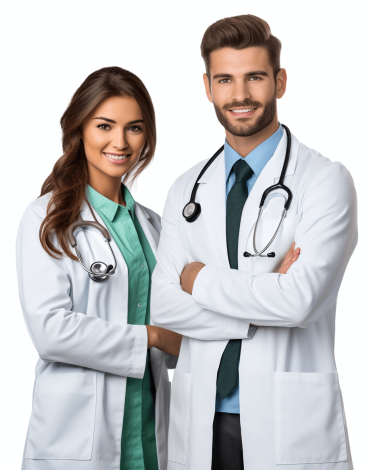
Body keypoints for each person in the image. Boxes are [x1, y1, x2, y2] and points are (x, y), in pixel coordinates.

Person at [151, 14, 357, 470]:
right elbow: (162, 306)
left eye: (255, 77)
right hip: (199, 416)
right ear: (207, 86)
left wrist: (198, 279)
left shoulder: (325, 181)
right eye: (225, 79)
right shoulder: (185, 189)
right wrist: (264, 301)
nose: (239, 95)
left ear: (280, 82)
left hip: (288, 420)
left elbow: (300, 301)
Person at [16, 66, 182, 470]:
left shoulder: (156, 227)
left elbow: (186, 314)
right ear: (79, 129)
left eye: (135, 128)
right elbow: (51, 331)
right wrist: (153, 337)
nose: (120, 142)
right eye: (104, 125)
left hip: (150, 434)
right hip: (76, 439)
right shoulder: (49, 219)